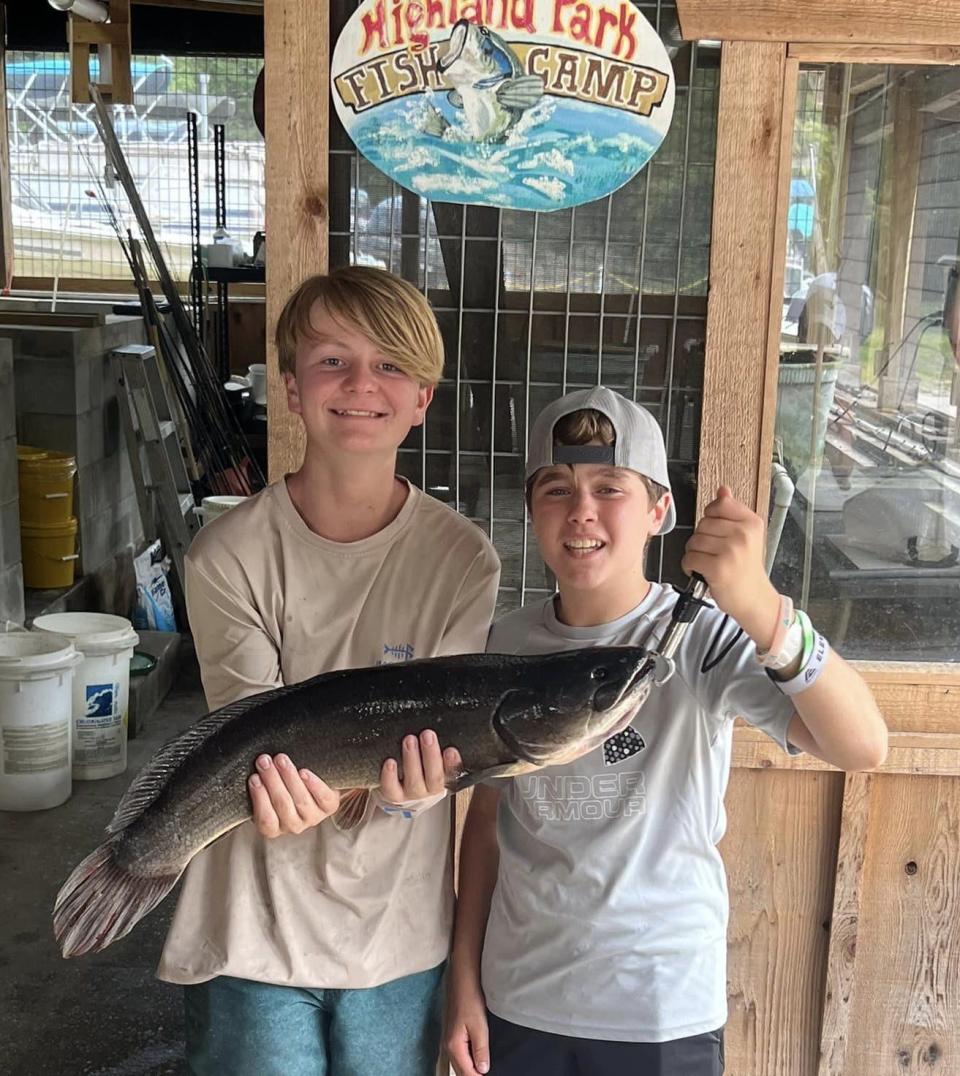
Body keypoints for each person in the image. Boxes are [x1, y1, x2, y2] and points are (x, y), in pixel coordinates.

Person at [445, 385, 887, 1076]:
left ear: (659, 511)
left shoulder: (707, 639)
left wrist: (764, 608)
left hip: (659, 1010)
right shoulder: (504, 642)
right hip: (517, 999)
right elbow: (486, 823)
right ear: (531, 511)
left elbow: (862, 745)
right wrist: (463, 981)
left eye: (610, 487)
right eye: (556, 488)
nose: (582, 509)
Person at [158, 266, 501, 1076]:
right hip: (251, 935)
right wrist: (274, 792)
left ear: (423, 397)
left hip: (398, 940)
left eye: (390, 365)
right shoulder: (227, 555)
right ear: (289, 388)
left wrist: (421, 788)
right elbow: (250, 738)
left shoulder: (462, 560)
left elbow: (441, 750)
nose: (360, 385)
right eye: (331, 361)